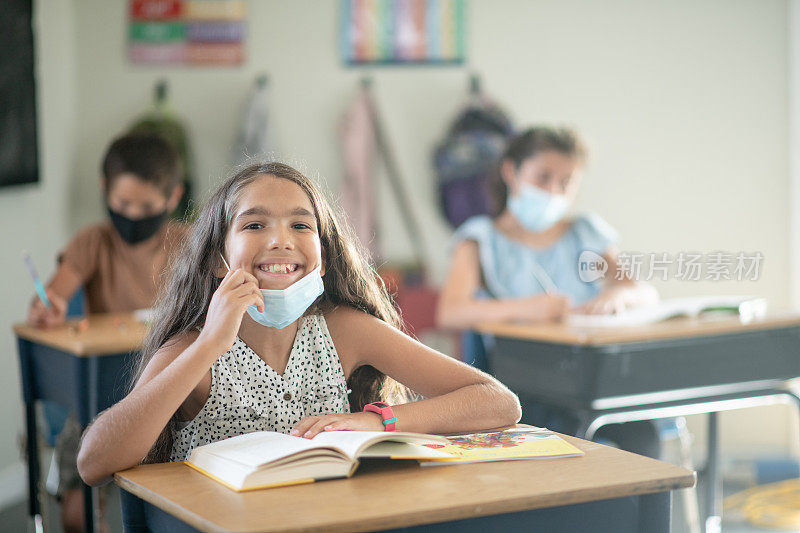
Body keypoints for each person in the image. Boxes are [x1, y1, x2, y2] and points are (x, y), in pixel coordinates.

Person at [77, 162, 521, 486]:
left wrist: (381, 422)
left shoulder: (346, 329)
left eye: (300, 225)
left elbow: (498, 403)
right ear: (217, 259)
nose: (280, 241)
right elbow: (94, 462)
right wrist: (210, 343)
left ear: (323, 257)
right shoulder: (192, 350)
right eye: (254, 224)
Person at [436, 126, 663, 457]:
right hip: (525, 385)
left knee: (643, 434)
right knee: (563, 435)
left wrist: (618, 296)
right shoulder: (479, 238)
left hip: (591, 377)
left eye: (565, 183)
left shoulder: (584, 233)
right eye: (543, 177)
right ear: (511, 171)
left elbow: (644, 291)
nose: (553, 191)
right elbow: (451, 312)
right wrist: (526, 308)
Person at [26, 133, 186, 532]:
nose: (133, 215)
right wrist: (50, 306)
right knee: (78, 504)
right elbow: (54, 295)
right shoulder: (93, 242)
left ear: (173, 197)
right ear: (104, 190)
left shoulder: (187, 241)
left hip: (171, 395)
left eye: (146, 207)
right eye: (122, 204)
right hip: (100, 397)